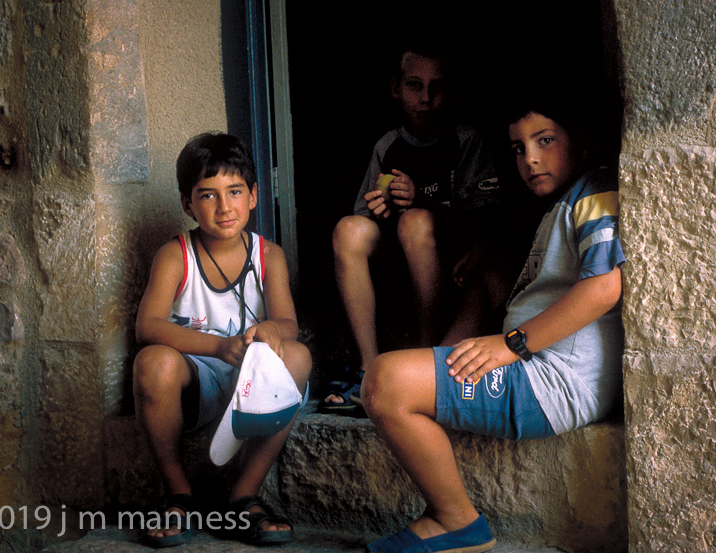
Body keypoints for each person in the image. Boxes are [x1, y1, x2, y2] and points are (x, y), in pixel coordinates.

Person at [359, 98, 625, 553]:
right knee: (495, 273)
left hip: (553, 382)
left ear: (580, 143)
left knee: (383, 382)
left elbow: (603, 288)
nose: (530, 158)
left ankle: (455, 521)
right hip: (539, 364)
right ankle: (437, 365)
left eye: (545, 141)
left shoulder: (595, 189)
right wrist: (489, 255)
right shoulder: (565, 201)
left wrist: (510, 346)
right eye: (519, 149)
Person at [133, 132, 312, 547]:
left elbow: (288, 323)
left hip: (250, 386)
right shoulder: (176, 253)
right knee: (152, 361)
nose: (224, 206)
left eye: (234, 191)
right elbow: (148, 325)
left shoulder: (269, 255)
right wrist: (218, 347)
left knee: (298, 358)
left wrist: (271, 330)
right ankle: (179, 496)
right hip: (195, 380)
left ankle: (244, 495)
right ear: (187, 204)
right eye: (208, 195)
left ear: (253, 195)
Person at [323, 43, 502, 414]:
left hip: (449, 263)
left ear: (451, 90)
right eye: (414, 85)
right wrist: (380, 204)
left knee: (416, 221)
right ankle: (368, 365)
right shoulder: (388, 145)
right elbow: (364, 214)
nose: (425, 98)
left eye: (436, 87)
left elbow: (486, 219)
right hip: (396, 262)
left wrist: (422, 200)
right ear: (395, 88)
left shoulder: (465, 140)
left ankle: (424, 358)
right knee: (347, 229)